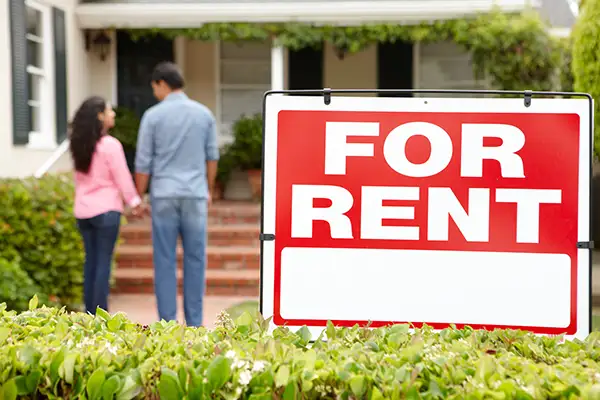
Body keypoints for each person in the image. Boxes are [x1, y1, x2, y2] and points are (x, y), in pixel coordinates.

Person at [135, 62, 219, 327]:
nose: (154, 93)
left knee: (165, 260)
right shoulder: (204, 114)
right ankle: (194, 324)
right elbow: (212, 156)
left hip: (164, 194)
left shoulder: (153, 116)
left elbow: (143, 161)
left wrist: (139, 195)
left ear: (162, 83)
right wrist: (208, 187)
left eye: (155, 88)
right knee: (196, 259)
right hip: (194, 193)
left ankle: (168, 325)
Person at [69, 96, 145, 315]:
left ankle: (89, 314)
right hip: (106, 212)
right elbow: (122, 177)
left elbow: (78, 180)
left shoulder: (78, 144)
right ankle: (101, 317)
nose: (113, 115)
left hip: (83, 211)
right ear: (100, 116)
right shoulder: (110, 145)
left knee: (90, 262)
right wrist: (135, 202)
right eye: (109, 111)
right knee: (103, 262)